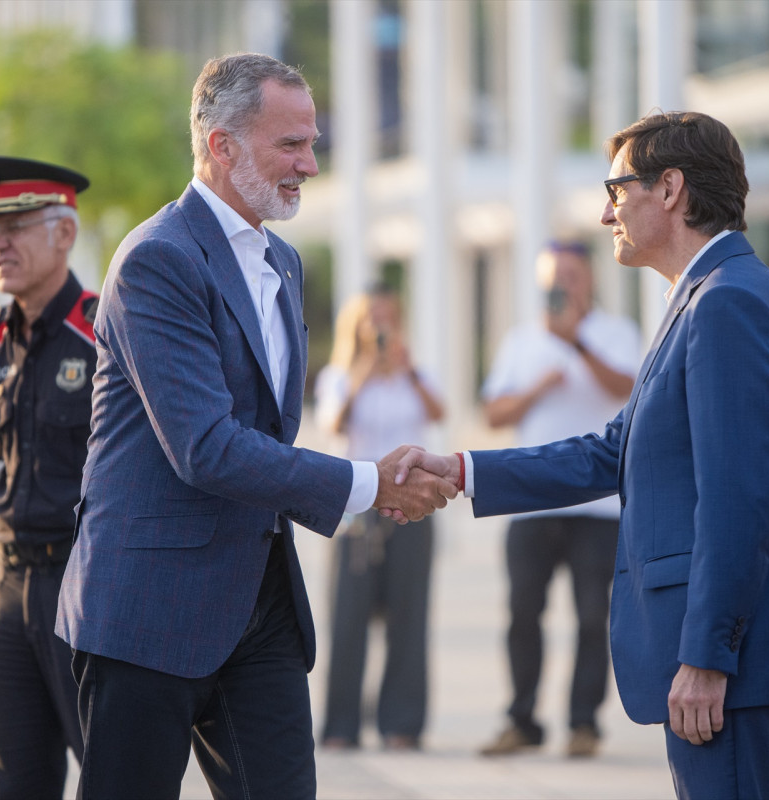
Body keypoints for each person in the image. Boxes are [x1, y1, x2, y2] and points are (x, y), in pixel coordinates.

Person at [392, 111, 769, 800]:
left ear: (670, 188)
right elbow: (612, 452)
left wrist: (708, 656)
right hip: (724, 655)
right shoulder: (702, 296)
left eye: (615, 189)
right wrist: (461, 471)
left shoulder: (726, 304)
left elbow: (738, 499)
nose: (606, 214)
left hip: (729, 661)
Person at [54, 53, 455, 799]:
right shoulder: (157, 259)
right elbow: (205, 446)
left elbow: (265, 434)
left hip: (259, 604)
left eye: (313, 142)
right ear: (222, 145)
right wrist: (370, 484)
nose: (308, 162)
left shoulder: (285, 263)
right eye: (290, 144)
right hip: (149, 608)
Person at [476, 240, 640, 759]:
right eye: (553, 277)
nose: (561, 286)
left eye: (571, 275)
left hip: (598, 505)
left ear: (589, 279)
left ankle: (583, 724)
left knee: (594, 617)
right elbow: (495, 413)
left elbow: (628, 391)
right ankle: (521, 719)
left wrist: (576, 345)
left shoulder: (618, 333)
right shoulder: (522, 340)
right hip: (531, 503)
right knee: (523, 613)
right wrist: (539, 387)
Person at [0, 155, 94, 798]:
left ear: (64, 233)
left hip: (85, 585)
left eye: (14, 225)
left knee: (112, 775)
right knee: (15, 780)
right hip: (11, 584)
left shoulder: (105, 334)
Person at [314, 283, 444, 751]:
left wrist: (406, 372)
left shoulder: (415, 373)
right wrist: (365, 369)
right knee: (348, 619)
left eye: (389, 318)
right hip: (357, 512)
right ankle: (341, 726)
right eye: (374, 319)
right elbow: (332, 424)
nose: (382, 328)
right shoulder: (340, 375)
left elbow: (439, 412)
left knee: (409, 618)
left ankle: (402, 724)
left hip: (411, 511)